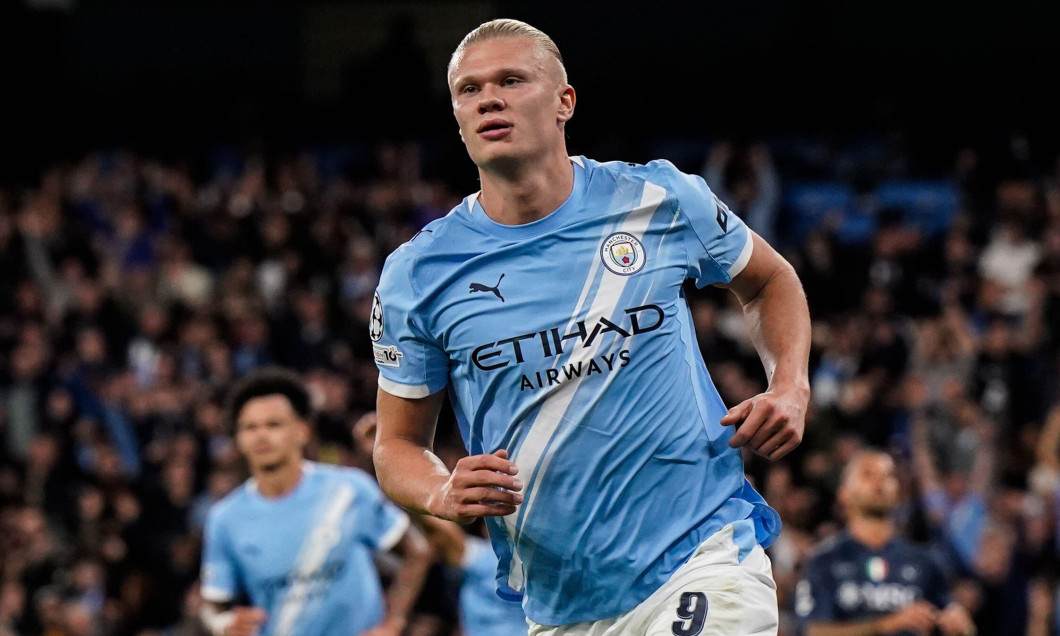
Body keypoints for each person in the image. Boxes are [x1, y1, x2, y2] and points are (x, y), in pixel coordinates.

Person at [371, 18, 811, 636]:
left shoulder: (657, 199)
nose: (488, 99)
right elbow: (396, 446)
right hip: (561, 604)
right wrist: (442, 492)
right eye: (469, 91)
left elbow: (769, 280)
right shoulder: (416, 273)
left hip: (701, 557)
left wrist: (789, 384)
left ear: (564, 102)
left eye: (511, 80)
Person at [198, 367, 432, 636]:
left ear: (302, 431)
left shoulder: (348, 490)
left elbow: (418, 550)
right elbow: (212, 603)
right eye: (250, 427)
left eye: (273, 424)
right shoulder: (225, 518)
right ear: (239, 439)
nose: (261, 435)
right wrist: (221, 624)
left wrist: (393, 623)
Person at [795, 450, 977, 636]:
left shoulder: (925, 563)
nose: (879, 482)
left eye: (888, 475)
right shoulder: (823, 562)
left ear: (898, 490)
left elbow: (957, 621)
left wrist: (961, 628)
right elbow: (812, 631)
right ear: (844, 494)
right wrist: (887, 625)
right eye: (868, 474)